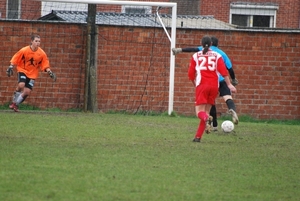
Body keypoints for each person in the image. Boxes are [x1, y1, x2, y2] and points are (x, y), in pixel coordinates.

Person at [172, 36, 239, 130]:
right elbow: (229, 68)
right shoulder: (222, 54)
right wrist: (233, 80)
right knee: (228, 97)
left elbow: (192, 49)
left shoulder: (202, 50)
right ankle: (232, 109)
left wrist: (180, 50)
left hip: (209, 81)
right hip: (221, 80)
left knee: (211, 103)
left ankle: (214, 125)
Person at [188, 36, 236, 142]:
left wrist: (194, 83)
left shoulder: (196, 55)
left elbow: (191, 74)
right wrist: (229, 85)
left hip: (202, 85)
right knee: (206, 111)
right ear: (211, 44)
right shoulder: (217, 55)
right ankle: (197, 137)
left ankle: (207, 119)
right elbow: (224, 72)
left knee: (200, 113)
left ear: (201, 44)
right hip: (214, 86)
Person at [6, 33, 57, 112]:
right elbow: (16, 58)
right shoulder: (24, 50)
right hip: (22, 70)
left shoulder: (42, 53)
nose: (38, 43)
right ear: (32, 41)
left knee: (27, 92)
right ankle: (13, 102)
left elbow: (45, 64)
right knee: (21, 84)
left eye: (39, 41)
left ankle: (16, 105)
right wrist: (11, 66)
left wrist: (50, 72)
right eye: (36, 41)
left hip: (32, 74)